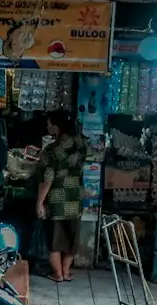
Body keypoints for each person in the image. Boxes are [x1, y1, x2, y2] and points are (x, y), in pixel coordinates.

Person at [35, 110, 87, 283]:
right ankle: (66, 271)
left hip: (57, 197)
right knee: (73, 236)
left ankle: (57, 274)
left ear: (56, 126)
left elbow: (47, 178)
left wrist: (40, 202)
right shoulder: (81, 144)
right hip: (76, 195)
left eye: (49, 124)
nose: (48, 127)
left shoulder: (51, 150)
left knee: (55, 237)